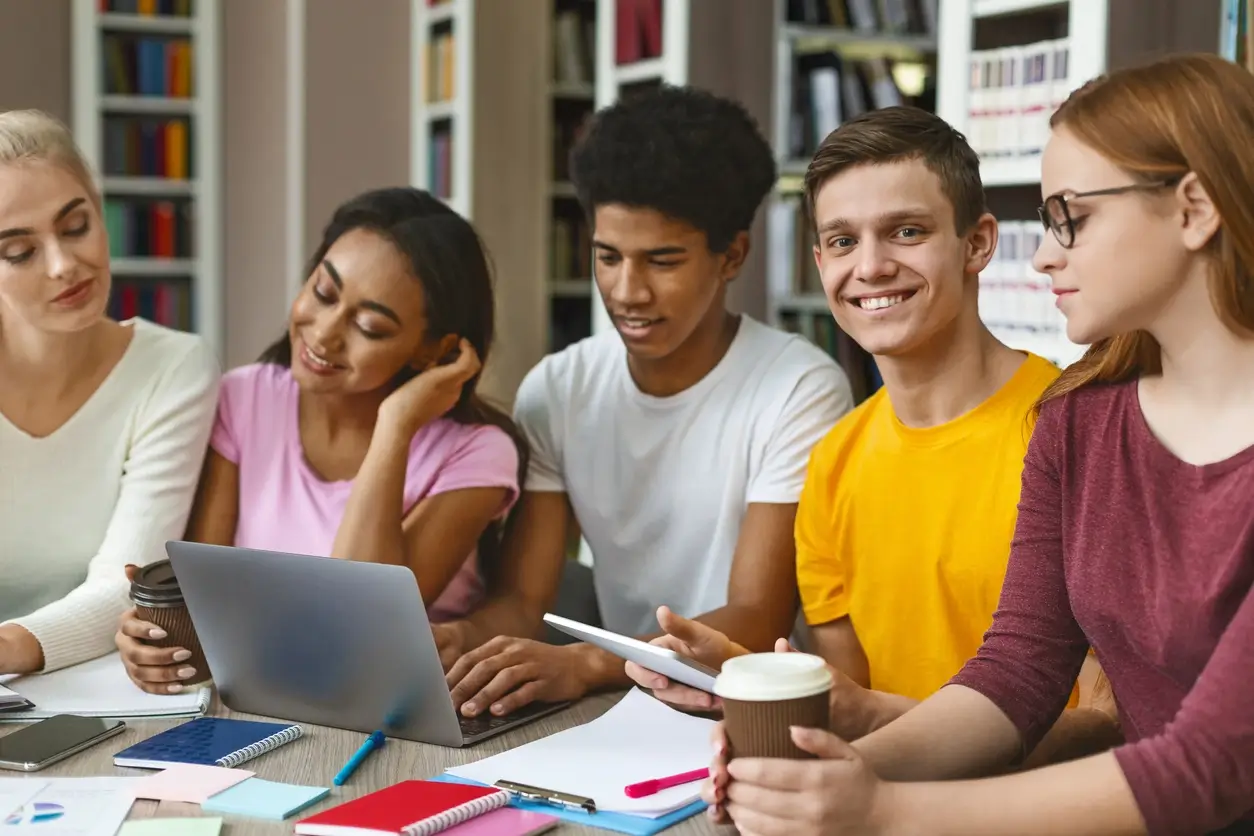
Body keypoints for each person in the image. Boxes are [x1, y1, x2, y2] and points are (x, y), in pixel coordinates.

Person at [702, 53, 1254, 836]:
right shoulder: (1079, 423)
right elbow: (1018, 672)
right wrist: (831, 770)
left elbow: (1209, 768)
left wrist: (884, 810)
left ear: (1194, 209)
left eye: (1073, 217)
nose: (1044, 254)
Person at [627, 105, 1119, 763]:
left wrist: (869, 717)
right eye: (842, 241)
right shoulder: (833, 460)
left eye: (906, 231)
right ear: (819, 260)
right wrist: (750, 682)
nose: (871, 266)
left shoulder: (1083, 431)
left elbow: (1110, 730)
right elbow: (851, 715)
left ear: (977, 243)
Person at [437, 85, 855, 719]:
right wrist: (460, 640)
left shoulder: (798, 387)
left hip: (745, 705)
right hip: (619, 702)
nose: (628, 291)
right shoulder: (558, 389)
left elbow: (755, 612)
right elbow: (524, 601)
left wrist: (586, 662)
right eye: (608, 257)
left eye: (662, 261)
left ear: (731, 255)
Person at [117, 187, 526, 694]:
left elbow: (359, 623)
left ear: (432, 351)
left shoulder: (477, 452)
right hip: (268, 700)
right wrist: (155, 640)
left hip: (398, 711)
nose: (325, 335)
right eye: (324, 293)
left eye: (370, 326)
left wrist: (395, 426)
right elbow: (207, 602)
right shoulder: (243, 399)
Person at [0, 109, 219, 675]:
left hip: (93, 693)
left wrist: (7, 650)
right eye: (19, 251)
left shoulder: (173, 368)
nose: (64, 265)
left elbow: (127, 583)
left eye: (76, 227)